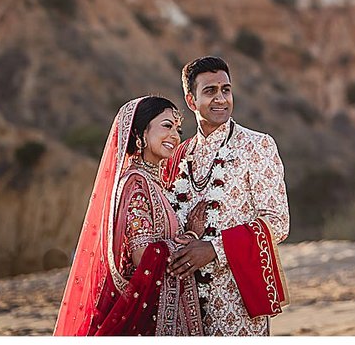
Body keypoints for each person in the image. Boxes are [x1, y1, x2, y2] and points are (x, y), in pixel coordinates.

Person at [54, 96, 204, 336]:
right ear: (140, 133)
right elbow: (143, 255)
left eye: (178, 129)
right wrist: (193, 234)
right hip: (144, 315)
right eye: (166, 126)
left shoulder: (152, 183)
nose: (175, 136)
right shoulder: (136, 184)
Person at [164, 55, 291, 336]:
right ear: (191, 100)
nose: (220, 98)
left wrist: (213, 250)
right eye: (210, 91)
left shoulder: (257, 146)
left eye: (226, 89)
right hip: (184, 297)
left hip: (238, 297)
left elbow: (278, 222)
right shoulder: (177, 156)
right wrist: (191, 239)